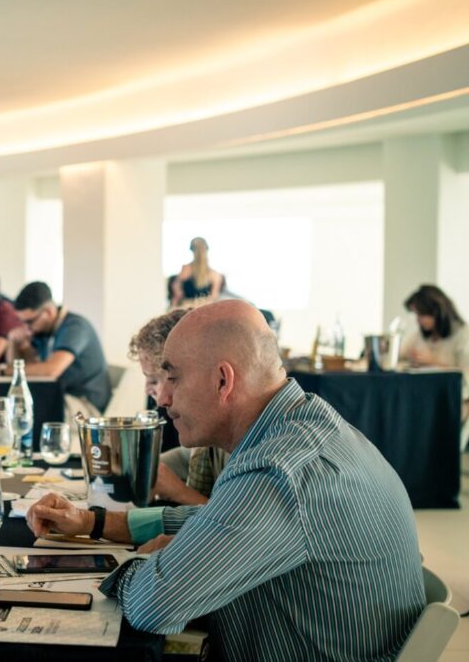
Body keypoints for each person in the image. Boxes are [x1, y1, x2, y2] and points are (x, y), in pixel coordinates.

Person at [27, 300, 424, 659]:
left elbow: (154, 605)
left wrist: (148, 562)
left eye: (173, 378)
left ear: (223, 380)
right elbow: (215, 518)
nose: (162, 398)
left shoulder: (278, 470)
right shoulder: (299, 427)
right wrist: (93, 523)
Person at [128, 309, 226, 505]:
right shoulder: (204, 440)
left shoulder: (238, 439)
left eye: (155, 380)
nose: (150, 391)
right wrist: (145, 467)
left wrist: (179, 492)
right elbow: (186, 456)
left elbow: (233, 525)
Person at [9, 281, 112, 415]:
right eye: (22, 322)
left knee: (25, 411)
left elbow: (51, 370)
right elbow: (28, 367)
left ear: (50, 312)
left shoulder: (75, 327)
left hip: (85, 406)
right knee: (16, 405)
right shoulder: (44, 332)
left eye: (29, 322)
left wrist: (3, 371)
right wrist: (12, 341)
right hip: (61, 398)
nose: (26, 329)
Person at [401, 284, 469, 448]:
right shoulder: (419, 335)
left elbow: (466, 375)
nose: (418, 319)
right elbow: (399, 355)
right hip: (425, 396)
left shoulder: (463, 335)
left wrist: (433, 363)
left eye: (421, 314)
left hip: (452, 398)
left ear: (437, 311)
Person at [170, 236, 223, 307]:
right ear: (206, 249)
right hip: (195, 309)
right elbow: (214, 298)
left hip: (193, 309)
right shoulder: (215, 275)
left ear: (191, 250)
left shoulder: (186, 269)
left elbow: (177, 294)